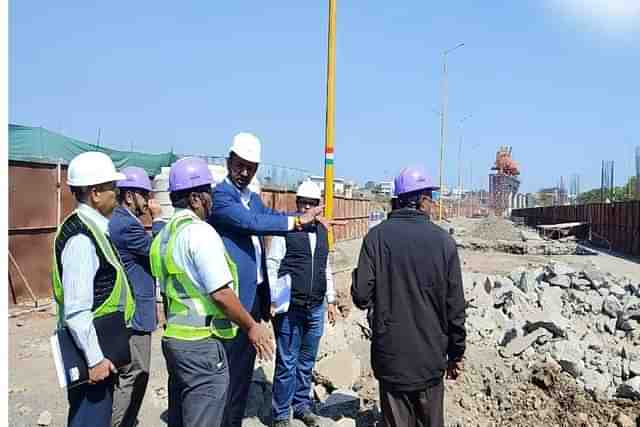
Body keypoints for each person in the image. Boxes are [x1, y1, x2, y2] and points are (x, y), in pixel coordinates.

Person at [210, 133, 325, 427]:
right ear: (229, 162)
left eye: (251, 167)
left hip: (253, 303)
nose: (245, 172)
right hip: (231, 302)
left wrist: (305, 221)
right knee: (228, 377)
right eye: (240, 165)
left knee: (241, 376)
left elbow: (270, 216)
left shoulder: (252, 198)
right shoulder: (221, 197)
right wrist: (299, 221)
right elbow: (253, 223)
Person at [150, 157, 274, 427]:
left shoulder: (164, 235)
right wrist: (252, 326)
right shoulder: (201, 234)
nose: (212, 199)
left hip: (174, 339)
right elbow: (220, 294)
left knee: (181, 415)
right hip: (202, 343)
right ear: (195, 198)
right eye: (208, 193)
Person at [351, 166, 466, 427]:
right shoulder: (443, 242)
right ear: (422, 200)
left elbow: (360, 296)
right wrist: (456, 353)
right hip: (430, 360)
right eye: (431, 198)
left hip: (391, 360)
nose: (433, 204)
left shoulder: (376, 238)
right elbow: (456, 308)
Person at [51, 152, 135, 427]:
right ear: (95, 193)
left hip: (102, 349)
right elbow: (77, 311)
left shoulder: (94, 229)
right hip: (92, 357)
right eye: (113, 187)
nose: (118, 193)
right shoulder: (81, 239)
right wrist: (96, 359)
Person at [266, 180, 338, 427]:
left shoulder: (322, 230)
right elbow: (273, 263)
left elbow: (324, 266)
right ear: (297, 203)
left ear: (318, 205)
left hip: (315, 306)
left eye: (311, 203)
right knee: (287, 361)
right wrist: (274, 299)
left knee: (306, 361)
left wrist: (331, 299)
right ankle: (280, 414)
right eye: (302, 202)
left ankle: (301, 406)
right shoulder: (287, 228)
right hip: (290, 307)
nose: (306, 207)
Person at [109, 166, 165, 427]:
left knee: (136, 372)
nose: (148, 200)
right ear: (130, 196)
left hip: (137, 309)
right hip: (135, 314)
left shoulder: (124, 221)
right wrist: (159, 219)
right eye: (145, 195)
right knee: (135, 372)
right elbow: (160, 250)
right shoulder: (125, 225)